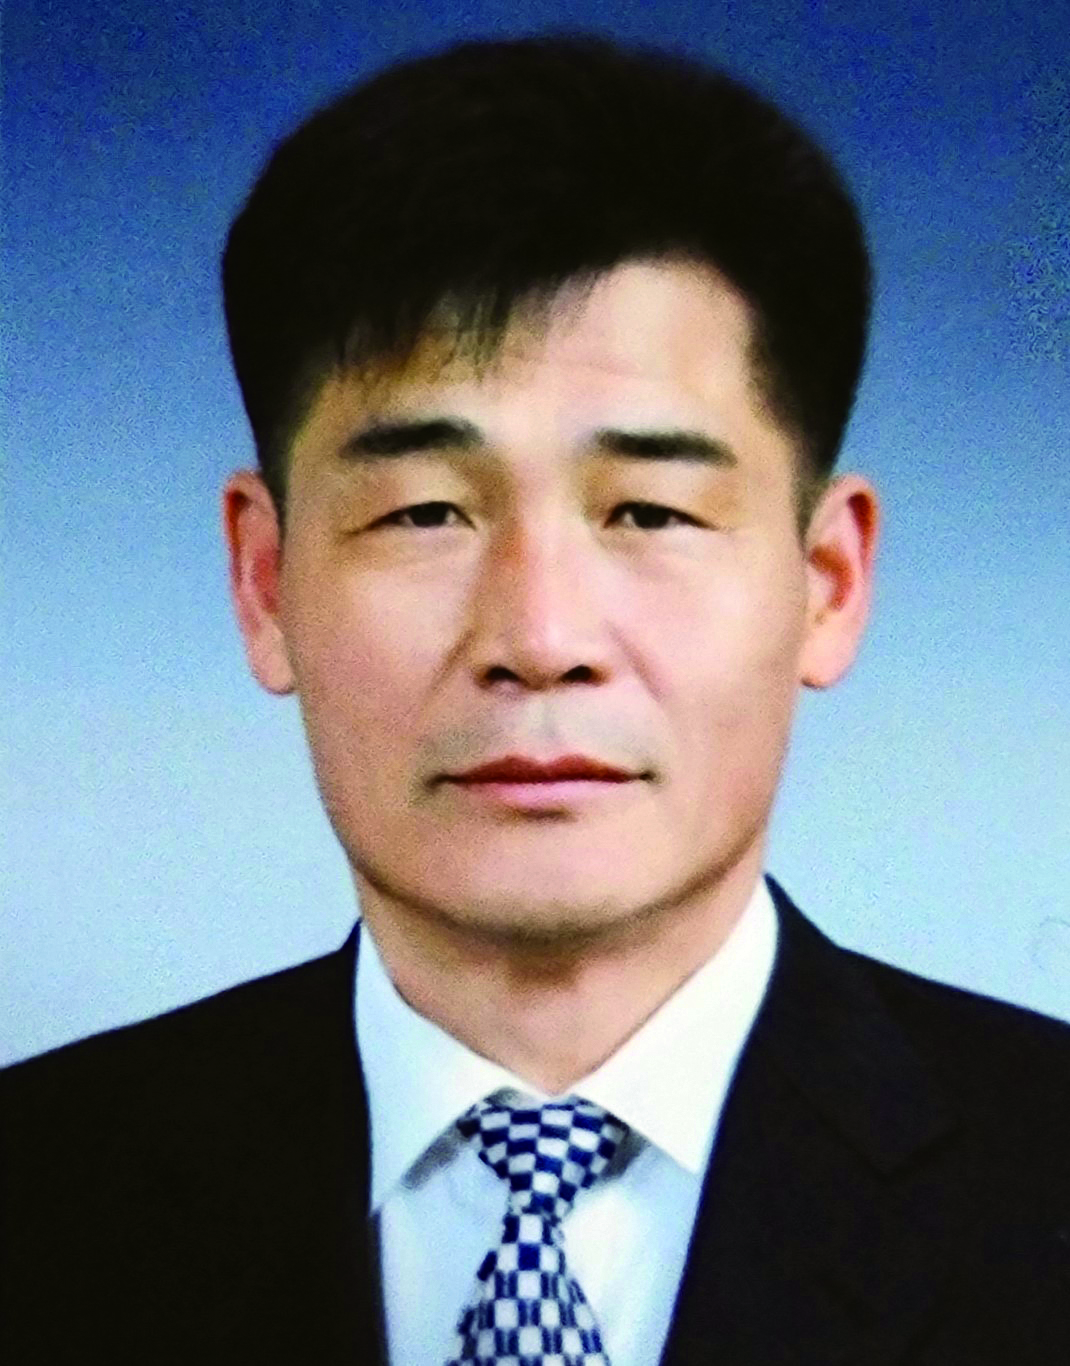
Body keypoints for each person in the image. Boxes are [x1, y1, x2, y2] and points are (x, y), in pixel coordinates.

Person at [2, 30, 1068, 1366]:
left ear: (828, 580)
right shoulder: (38, 1197)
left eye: (650, 511)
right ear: (265, 581)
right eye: (425, 511)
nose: (540, 638)